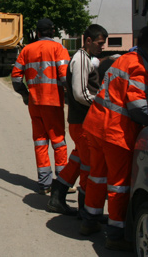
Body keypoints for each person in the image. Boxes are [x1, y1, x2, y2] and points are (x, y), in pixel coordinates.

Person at [79, 24, 148, 251]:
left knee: (97, 176)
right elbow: (138, 109)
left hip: (96, 125)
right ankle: (115, 234)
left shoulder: (124, 59)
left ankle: (90, 221)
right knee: (118, 184)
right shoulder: (139, 67)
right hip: (115, 132)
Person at [47, 24, 108, 216]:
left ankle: (57, 197)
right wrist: (101, 104)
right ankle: (86, 210)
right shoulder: (81, 59)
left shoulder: (85, 58)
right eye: (100, 43)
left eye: (104, 43)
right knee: (88, 166)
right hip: (83, 122)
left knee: (78, 159)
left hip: (80, 121)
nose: (102, 46)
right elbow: (81, 94)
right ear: (88, 40)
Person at [11, 18, 71, 194]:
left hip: (34, 103)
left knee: (40, 142)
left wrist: (25, 95)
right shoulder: (59, 49)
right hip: (53, 102)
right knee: (58, 141)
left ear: (37, 33)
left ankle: (44, 184)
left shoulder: (27, 50)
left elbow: (15, 78)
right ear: (53, 32)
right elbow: (64, 76)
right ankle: (62, 183)